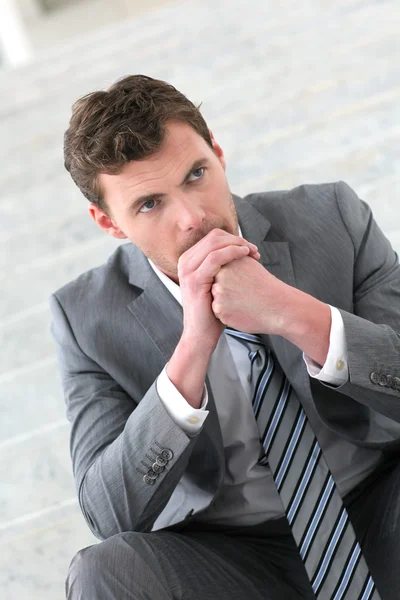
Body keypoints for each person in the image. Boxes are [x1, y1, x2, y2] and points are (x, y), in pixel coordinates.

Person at [50, 74, 400, 600]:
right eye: (149, 204)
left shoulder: (333, 218)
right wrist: (192, 347)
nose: (192, 217)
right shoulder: (86, 318)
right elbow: (109, 512)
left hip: (379, 505)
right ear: (109, 223)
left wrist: (292, 313)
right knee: (105, 571)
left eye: (196, 174)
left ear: (218, 153)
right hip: (228, 558)